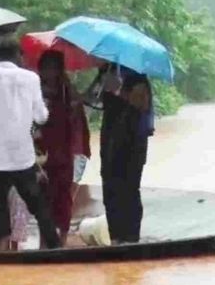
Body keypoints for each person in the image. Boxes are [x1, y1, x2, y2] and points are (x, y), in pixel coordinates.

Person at [0, 38, 62, 250]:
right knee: (37, 202)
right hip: (22, 153)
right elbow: (41, 117)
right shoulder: (31, 78)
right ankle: (54, 245)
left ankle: (3, 249)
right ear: (19, 55)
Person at [95, 63, 154, 244]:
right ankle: (115, 237)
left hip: (133, 140)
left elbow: (142, 104)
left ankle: (131, 237)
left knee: (129, 188)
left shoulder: (137, 76)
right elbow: (94, 100)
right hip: (110, 139)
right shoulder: (106, 71)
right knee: (109, 187)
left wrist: (118, 90)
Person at [33, 50, 84, 244]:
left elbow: (76, 120)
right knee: (43, 197)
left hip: (64, 151)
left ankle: (62, 239)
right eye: (46, 68)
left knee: (63, 197)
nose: (49, 72)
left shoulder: (68, 91)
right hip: (41, 151)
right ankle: (43, 241)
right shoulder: (35, 91)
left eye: (53, 68)